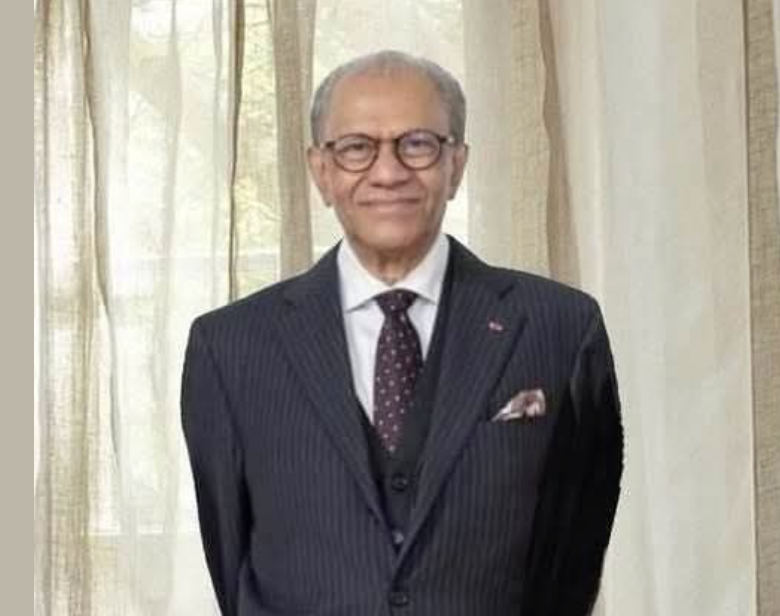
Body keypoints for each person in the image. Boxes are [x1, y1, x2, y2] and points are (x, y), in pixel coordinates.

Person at [181, 50, 623, 616]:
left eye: (417, 144)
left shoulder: (561, 327)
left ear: (456, 164)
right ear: (321, 171)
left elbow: (576, 549)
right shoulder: (230, 347)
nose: (388, 173)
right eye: (356, 148)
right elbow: (230, 557)